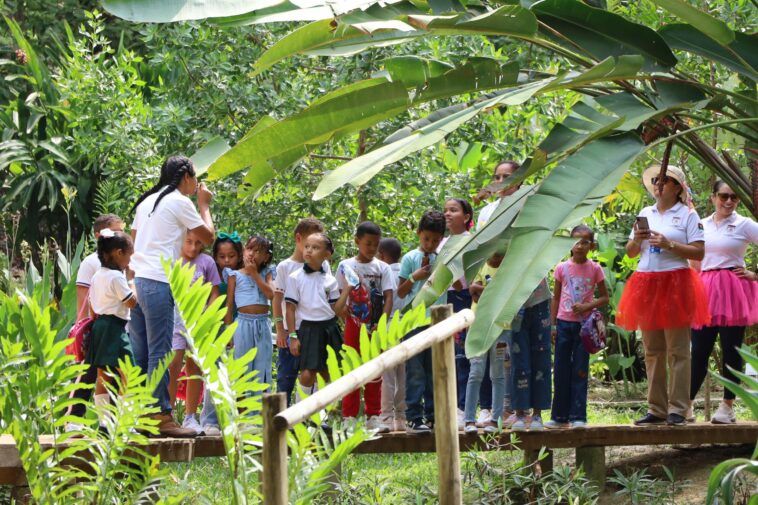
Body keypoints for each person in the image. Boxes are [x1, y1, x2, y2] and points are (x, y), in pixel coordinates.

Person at [128, 155, 215, 437]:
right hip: (158, 280)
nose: (196, 183)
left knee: (142, 352)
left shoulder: (147, 201)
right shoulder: (179, 200)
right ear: (186, 177)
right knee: (161, 350)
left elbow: (132, 239)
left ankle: (141, 415)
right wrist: (204, 204)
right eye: (195, 177)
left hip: (139, 279)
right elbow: (208, 236)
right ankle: (161, 416)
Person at [617, 165, 709, 427]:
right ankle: (656, 408)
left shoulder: (688, 215)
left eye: (666, 180)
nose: (659, 184)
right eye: (656, 180)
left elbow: (698, 253)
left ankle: (678, 409)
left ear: (678, 187)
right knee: (652, 350)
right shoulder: (645, 213)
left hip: (676, 282)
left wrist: (669, 244)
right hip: (646, 283)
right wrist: (637, 238)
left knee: (678, 350)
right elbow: (632, 252)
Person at [690, 181, 758, 424]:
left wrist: (755, 274)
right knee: (698, 350)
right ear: (713, 197)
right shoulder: (700, 224)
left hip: (733, 290)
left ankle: (727, 406)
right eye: (723, 196)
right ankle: (685, 406)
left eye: (734, 197)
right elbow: (694, 259)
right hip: (705, 290)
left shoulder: (744, 224)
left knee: (731, 349)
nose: (728, 201)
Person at [65, 214, 125, 433]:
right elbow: (84, 299)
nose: (122, 235)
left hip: (115, 326)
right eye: (117, 231)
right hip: (95, 326)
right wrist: (86, 327)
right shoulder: (91, 262)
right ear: (101, 235)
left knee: (110, 374)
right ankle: (72, 419)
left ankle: (106, 421)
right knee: (87, 373)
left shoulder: (120, 260)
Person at [474, 160, 521, 427]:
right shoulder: (486, 212)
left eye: (508, 176)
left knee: (513, 348)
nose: (501, 181)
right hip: (490, 282)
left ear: (520, 180)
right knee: (488, 348)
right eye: (497, 176)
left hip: (518, 283)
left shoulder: (529, 206)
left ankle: (511, 406)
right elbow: (482, 247)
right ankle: (488, 407)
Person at [546, 225, 608, 429]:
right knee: (561, 370)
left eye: (584, 242)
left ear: (591, 245)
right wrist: (553, 325)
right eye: (576, 241)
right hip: (564, 324)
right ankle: (559, 416)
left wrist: (587, 306)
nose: (579, 246)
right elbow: (555, 298)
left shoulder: (595, 268)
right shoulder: (561, 268)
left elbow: (604, 298)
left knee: (580, 370)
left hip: (584, 327)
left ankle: (578, 415)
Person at [336, 222, 395, 432]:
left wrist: (383, 322)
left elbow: (389, 296)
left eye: (375, 244)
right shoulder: (345, 265)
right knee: (351, 369)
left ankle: (373, 416)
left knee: (375, 372)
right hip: (354, 325)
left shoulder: (383, 267)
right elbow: (339, 296)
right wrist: (348, 318)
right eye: (368, 243)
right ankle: (349, 417)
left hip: (376, 328)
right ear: (357, 241)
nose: (372, 248)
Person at [168, 229, 221, 434]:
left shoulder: (207, 262)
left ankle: (191, 417)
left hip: (198, 321)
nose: (193, 247)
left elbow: (214, 292)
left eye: (198, 243)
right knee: (172, 366)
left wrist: (208, 317)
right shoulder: (171, 259)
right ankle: (168, 414)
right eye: (188, 242)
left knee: (194, 369)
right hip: (174, 319)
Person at [398, 210, 446, 433]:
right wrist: (414, 277)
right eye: (427, 239)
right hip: (413, 323)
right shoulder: (409, 258)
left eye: (436, 240)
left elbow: (454, 285)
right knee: (415, 371)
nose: (430, 244)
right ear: (419, 234)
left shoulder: (444, 258)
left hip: (438, 320)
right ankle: (414, 417)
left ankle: (434, 415)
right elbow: (400, 292)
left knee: (435, 370)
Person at [273, 218, 329, 406]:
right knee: (286, 377)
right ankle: (280, 420)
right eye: (309, 244)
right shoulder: (285, 267)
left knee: (316, 373)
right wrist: (281, 329)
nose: (312, 250)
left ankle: (312, 419)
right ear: (299, 238)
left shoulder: (323, 266)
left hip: (316, 330)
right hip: (292, 330)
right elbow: (277, 299)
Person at [285, 233, 350, 396]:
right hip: (308, 329)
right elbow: (290, 309)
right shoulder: (295, 277)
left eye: (315, 248)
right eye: (307, 246)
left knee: (327, 373)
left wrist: (347, 290)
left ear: (327, 254)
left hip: (329, 328)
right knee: (307, 374)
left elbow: (335, 310)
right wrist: (293, 336)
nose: (309, 251)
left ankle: (320, 418)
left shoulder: (330, 280)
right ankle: (300, 416)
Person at [87, 230, 137, 430]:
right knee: (129, 373)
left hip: (100, 325)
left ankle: (104, 423)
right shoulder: (117, 277)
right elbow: (132, 302)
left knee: (104, 375)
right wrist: (131, 280)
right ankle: (125, 423)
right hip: (114, 327)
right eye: (129, 256)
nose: (129, 261)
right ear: (118, 253)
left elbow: (91, 307)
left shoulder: (98, 275)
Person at [439, 198, 475, 430]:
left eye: (453, 210)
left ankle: (463, 408)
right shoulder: (441, 243)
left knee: (462, 357)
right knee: (444, 356)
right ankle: (444, 408)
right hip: (442, 301)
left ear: (467, 217)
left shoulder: (472, 241)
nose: (448, 214)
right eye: (445, 211)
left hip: (465, 300)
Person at [463, 252, 508, 434]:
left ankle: (496, 419)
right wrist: (491, 290)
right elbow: (473, 293)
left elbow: (505, 294)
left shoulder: (508, 268)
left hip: (501, 326)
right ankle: (469, 420)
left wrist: (482, 289)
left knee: (498, 373)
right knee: (476, 372)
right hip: (478, 325)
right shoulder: (479, 265)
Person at [225, 236, 276, 393]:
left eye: (258, 251)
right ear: (243, 251)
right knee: (242, 366)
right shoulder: (234, 275)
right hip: (242, 324)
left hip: (262, 324)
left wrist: (255, 274)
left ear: (266, 256)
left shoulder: (268, 273)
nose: (252, 254)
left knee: (262, 366)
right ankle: (242, 412)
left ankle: (260, 412)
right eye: (249, 249)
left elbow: (271, 294)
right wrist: (228, 334)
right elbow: (229, 305)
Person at [377, 237, 407, 432]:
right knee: (403, 374)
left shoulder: (382, 273)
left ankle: (386, 416)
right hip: (407, 323)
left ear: (381, 256)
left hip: (387, 324)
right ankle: (401, 417)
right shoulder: (406, 273)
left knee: (386, 374)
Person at [212, 231, 243, 299]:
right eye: (222, 256)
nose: (227, 260)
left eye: (231, 256)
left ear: (239, 257)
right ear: (215, 258)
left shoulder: (246, 278)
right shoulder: (211, 279)